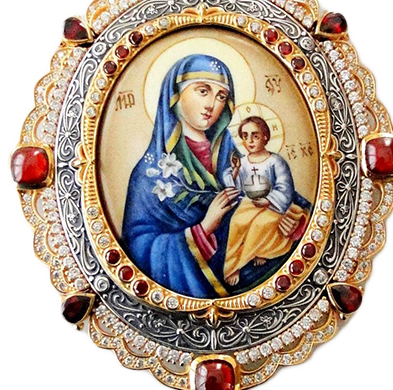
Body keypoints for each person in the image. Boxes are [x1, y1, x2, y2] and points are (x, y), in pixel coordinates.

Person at [120, 54, 303, 298]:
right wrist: (203, 229)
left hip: (259, 274)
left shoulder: (232, 154)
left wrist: (290, 223)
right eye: (203, 91)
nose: (212, 105)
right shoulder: (149, 173)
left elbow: (279, 196)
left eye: (221, 96)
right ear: (175, 95)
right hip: (200, 284)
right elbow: (140, 249)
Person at [220, 116, 301, 287]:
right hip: (250, 204)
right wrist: (235, 172)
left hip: (274, 206)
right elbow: (237, 187)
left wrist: (269, 200)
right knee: (237, 222)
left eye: (255, 136)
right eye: (245, 136)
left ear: (265, 136)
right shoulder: (243, 162)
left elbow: (285, 187)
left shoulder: (275, 161)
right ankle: (232, 265)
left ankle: (258, 252)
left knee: (261, 224)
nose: (250, 141)